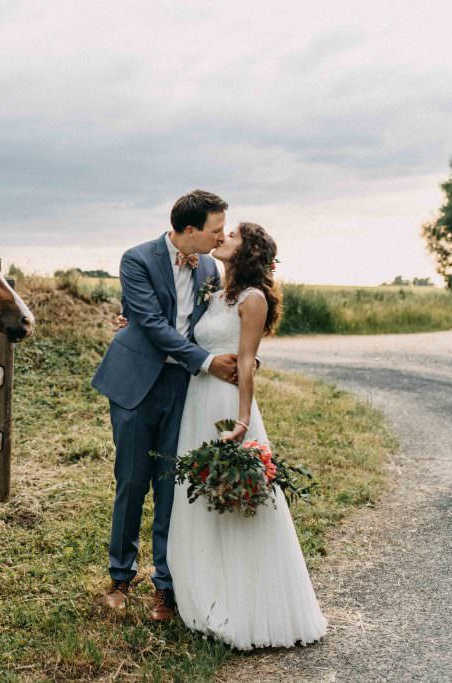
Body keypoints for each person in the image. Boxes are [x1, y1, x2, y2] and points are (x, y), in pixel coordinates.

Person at [165, 221, 327, 648]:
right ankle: (207, 595)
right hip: (197, 404)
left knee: (235, 498)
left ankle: (248, 604)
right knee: (201, 496)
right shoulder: (217, 293)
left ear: (248, 251)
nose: (222, 238)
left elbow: (247, 364)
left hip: (226, 407)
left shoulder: (253, 300)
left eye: (232, 236)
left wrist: (241, 423)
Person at [91, 189, 239, 620]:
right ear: (189, 230)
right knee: (132, 481)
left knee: (172, 486)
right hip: (136, 384)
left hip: (182, 386)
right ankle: (120, 577)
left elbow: (215, 321)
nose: (219, 237)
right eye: (214, 230)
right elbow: (152, 323)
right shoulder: (136, 259)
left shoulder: (210, 265)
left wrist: (238, 353)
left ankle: (166, 587)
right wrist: (209, 362)